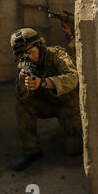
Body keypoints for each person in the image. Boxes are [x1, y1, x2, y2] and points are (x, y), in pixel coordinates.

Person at [10, 28, 83, 171]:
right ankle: (32, 151)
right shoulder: (23, 65)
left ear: (40, 45)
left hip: (67, 105)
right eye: (21, 55)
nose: (27, 57)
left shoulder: (58, 54)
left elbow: (73, 78)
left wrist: (42, 82)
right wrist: (22, 85)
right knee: (22, 106)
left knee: (74, 150)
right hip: (46, 104)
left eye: (30, 52)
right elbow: (23, 98)